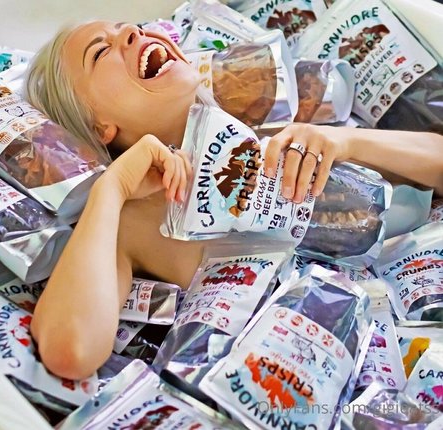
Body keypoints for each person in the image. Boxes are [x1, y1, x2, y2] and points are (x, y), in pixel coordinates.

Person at [24, 20, 443, 380]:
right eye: (100, 52)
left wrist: (346, 141)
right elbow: (71, 351)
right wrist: (111, 188)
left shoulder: (269, 136)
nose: (133, 32)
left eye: (128, 27)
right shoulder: (125, 228)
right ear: (98, 127)